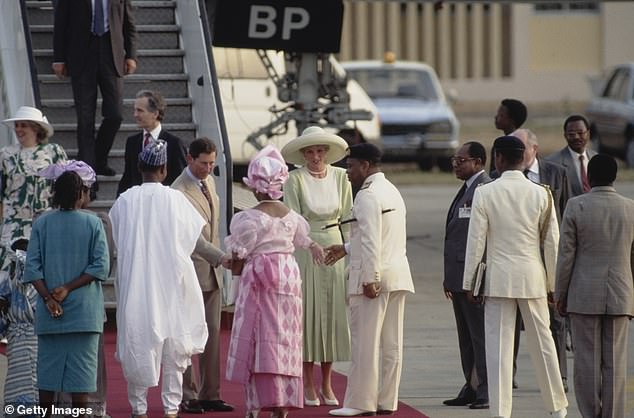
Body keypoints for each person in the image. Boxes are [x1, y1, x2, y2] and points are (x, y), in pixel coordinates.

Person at [109, 140, 228, 418]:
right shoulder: (177, 200)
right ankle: (171, 408)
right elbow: (194, 241)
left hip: (137, 284)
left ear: (140, 168)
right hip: (173, 285)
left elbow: (115, 244)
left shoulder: (124, 201)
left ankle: (139, 408)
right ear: (163, 170)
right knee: (175, 346)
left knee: (138, 340)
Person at [462, 135, 568, 418]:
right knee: (544, 346)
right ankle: (557, 408)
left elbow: (476, 244)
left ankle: (501, 412)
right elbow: (552, 244)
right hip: (532, 278)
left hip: (498, 279)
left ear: (497, 159)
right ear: (524, 159)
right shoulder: (542, 193)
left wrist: (470, 283)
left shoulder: (485, 192)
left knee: (498, 350)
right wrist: (553, 286)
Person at [224, 145, 324, 418]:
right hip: (288, 275)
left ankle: (256, 404)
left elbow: (238, 253)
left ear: (255, 187)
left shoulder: (248, 219)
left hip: (260, 276)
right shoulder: (292, 218)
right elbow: (306, 240)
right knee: (287, 338)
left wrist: (230, 267)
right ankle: (283, 404)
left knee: (258, 336)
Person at [325, 143, 415, 417]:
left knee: (365, 344)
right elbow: (380, 236)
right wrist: (346, 248)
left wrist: (370, 278)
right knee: (391, 344)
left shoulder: (367, 195)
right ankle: (386, 401)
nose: (348, 172)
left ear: (365, 165)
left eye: (351, 166)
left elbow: (373, 240)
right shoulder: (391, 191)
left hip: (374, 279)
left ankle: (360, 403)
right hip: (397, 274)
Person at [23, 169, 110, 418]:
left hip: (50, 315)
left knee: (47, 380)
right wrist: (69, 288)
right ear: (81, 195)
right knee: (81, 382)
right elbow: (100, 267)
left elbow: (32, 268)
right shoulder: (93, 223)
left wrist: (49, 298)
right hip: (84, 314)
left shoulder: (42, 223)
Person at [555, 154, 634, 418]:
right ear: (615, 177)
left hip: (583, 293)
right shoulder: (630, 208)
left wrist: (560, 293)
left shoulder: (576, 206)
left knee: (586, 362)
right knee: (615, 363)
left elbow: (566, 255)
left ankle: (591, 414)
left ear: (589, 176)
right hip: (621, 294)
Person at [281, 126, 352, 408]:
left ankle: (327, 381)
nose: (315, 156)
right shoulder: (294, 179)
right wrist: (309, 245)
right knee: (308, 314)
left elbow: (348, 217)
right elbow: (293, 220)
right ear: (302, 154)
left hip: (336, 246)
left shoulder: (341, 177)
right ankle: (307, 381)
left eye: (319, 150)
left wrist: (350, 253)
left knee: (333, 314)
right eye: (309, 151)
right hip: (307, 248)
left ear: (326, 152)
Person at [0, 107, 67, 375]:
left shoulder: (53, 153)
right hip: (13, 224)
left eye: (23, 125)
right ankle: (8, 326)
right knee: (8, 273)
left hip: (44, 220)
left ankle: (43, 320)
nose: (19, 130)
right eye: (16, 126)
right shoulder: (6, 155)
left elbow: (65, 187)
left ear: (37, 129)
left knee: (40, 273)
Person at [171, 138, 234, 414]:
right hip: (190, 271)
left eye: (212, 163)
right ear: (189, 158)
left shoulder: (208, 182)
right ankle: (188, 394)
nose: (209, 168)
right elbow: (192, 238)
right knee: (187, 336)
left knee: (213, 336)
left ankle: (211, 393)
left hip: (212, 271)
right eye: (203, 163)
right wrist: (221, 257)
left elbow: (214, 228)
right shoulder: (178, 190)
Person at [510, 128, 571, 392]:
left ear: (535, 149)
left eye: (522, 148)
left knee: (555, 321)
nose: (518, 154)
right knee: (510, 321)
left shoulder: (557, 174)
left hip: (550, 257)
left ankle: (560, 376)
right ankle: (507, 375)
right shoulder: (501, 177)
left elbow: (567, 213)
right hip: (516, 258)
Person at [52, 0, 137, 175]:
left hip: (111, 53)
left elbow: (128, 22)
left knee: (115, 114)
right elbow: (61, 22)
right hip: (82, 54)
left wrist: (131, 55)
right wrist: (59, 57)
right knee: (85, 119)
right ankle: (87, 175)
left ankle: (98, 158)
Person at [442, 141, 490, 410]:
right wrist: (449, 277)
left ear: (478, 162)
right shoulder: (466, 189)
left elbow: (483, 241)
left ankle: (485, 388)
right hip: (458, 277)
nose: (455, 164)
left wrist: (476, 279)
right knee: (466, 338)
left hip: (473, 278)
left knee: (480, 336)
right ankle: (470, 386)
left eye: (461, 160)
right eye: (454, 160)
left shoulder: (484, 189)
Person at [117, 90, 187, 195]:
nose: (135, 115)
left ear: (155, 113)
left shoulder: (174, 143)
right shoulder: (132, 142)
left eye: (140, 111)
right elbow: (127, 178)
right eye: (135, 110)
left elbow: (180, 180)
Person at [545, 114, 597, 197]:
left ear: (588, 133)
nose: (576, 137)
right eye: (571, 134)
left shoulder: (596, 158)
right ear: (565, 135)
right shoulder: (553, 163)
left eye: (580, 133)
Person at [490, 99, 527, 172]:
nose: (496, 117)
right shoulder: (527, 141)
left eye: (501, 115)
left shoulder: (502, 145)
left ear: (511, 120)